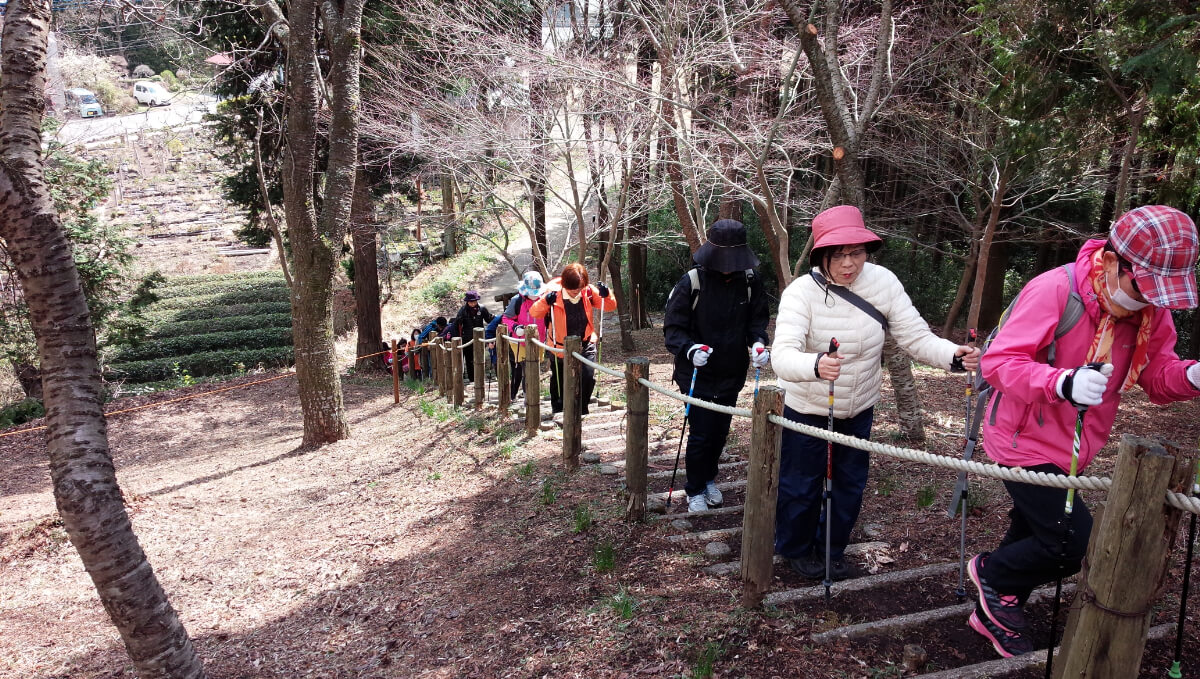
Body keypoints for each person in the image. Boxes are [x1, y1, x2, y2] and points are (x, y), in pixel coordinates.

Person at [965, 205, 1200, 658]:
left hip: (1077, 446)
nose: (1151, 299)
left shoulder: (1150, 311)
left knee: (1037, 530)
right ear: (1112, 262)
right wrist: (1061, 381)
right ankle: (994, 576)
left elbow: (1156, 376)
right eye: (1143, 286)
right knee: (1072, 543)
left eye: (1161, 292)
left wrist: (1190, 376)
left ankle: (996, 601)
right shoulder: (1055, 290)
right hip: (1021, 438)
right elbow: (999, 363)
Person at [771, 205, 980, 580]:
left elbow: (915, 337)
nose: (848, 263)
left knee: (850, 483)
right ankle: (795, 549)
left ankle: (832, 548)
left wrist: (953, 355)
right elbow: (782, 355)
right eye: (838, 255)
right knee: (801, 484)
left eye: (856, 252)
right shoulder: (800, 293)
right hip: (807, 407)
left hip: (859, 406)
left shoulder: (883, 283)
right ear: (821, 255)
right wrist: (815, 364)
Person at [663, 219, 771, 512]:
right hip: (696, 372)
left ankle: (709, 477)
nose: (727, 267)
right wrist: (689, 350)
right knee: (701, 431)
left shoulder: (749, 282)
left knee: (720, 430)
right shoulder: (691, 282)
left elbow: (757, 320)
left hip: (731, 371)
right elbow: (673, 329)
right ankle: (695, 488)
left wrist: (759, 343)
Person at [530, 262, 617, 414]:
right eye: (571, 289)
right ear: (564, 284)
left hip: (586, 342)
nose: (575, 292)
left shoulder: (588, 291)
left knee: (588, 376)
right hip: (559, 345)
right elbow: (534, 312)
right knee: (560, 380)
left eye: (578, 288)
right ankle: (558, 410)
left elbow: (609, 306)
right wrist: (545, 302)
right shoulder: (552, 293)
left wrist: (607, 294)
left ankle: (582, 410)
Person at [502, 272, 548, 400]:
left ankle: (531, 395)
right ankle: (530, 398)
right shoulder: (517, 300)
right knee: (527, 368)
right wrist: (516, 328)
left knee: (534, 367)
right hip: (519, 341)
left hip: (539, 340)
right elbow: (506, 318)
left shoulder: (545, 300)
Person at [453, 291, 494, 381]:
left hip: (480, 337)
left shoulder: (482, 308)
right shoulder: (462, 310)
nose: (472, 303)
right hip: (467, 339)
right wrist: (457, 338)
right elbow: (457, 325)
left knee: (480, 358)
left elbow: (489, 320)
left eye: (474, 301)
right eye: (470, 301)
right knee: (469, 360)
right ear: (467, 301)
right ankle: (472, 379)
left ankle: (481, 377)